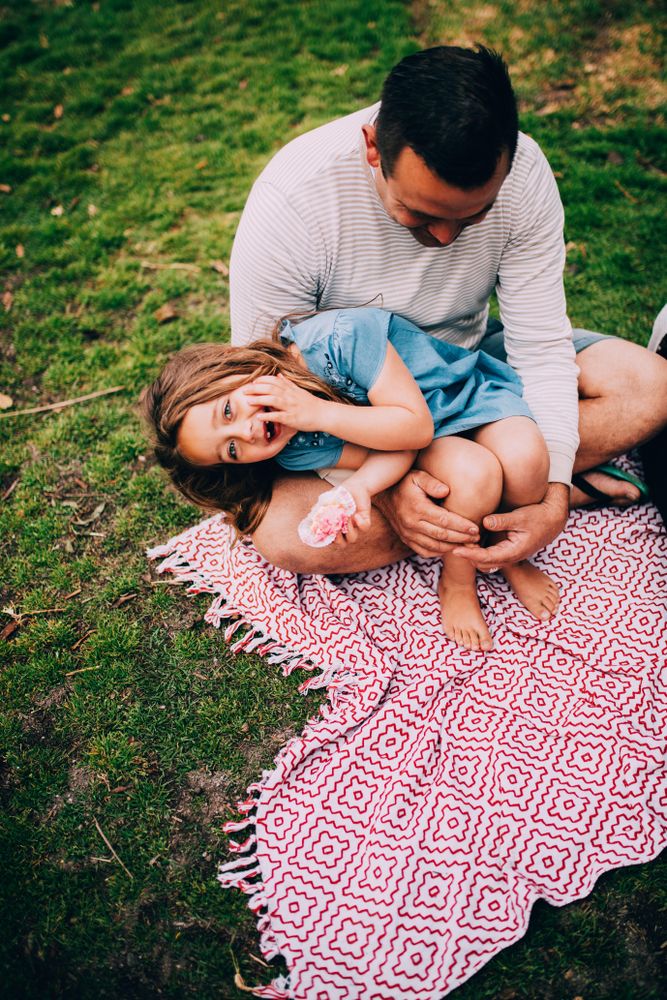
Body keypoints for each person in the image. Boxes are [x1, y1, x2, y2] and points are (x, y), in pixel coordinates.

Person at [229, 45, 667, 575]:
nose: (443, 235)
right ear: (373, 148)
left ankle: (489, 488)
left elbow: (541, 348)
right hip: (355, 412)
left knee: (651, 386)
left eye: (473, 215)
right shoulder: (294, 199)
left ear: (508, 159)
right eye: (418, 212)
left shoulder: (524, 177)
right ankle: (491, 488)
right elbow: (266, 372)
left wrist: (551, 498)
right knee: (286, 538)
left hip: (466, 363)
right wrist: (385, 485)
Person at [142, 307, 560, 651]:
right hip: (423, 437)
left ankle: (509, 554)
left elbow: (413, 427)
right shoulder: (293, 446)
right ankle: (457, 579)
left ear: (232, 369)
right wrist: (359, 488)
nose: (246, 433)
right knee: (475, 474)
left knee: (526, 464)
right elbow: (393, 450)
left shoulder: (338, 339)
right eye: (231, 450)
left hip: (461, 397)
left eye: (228, 412)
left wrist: (316, 413)